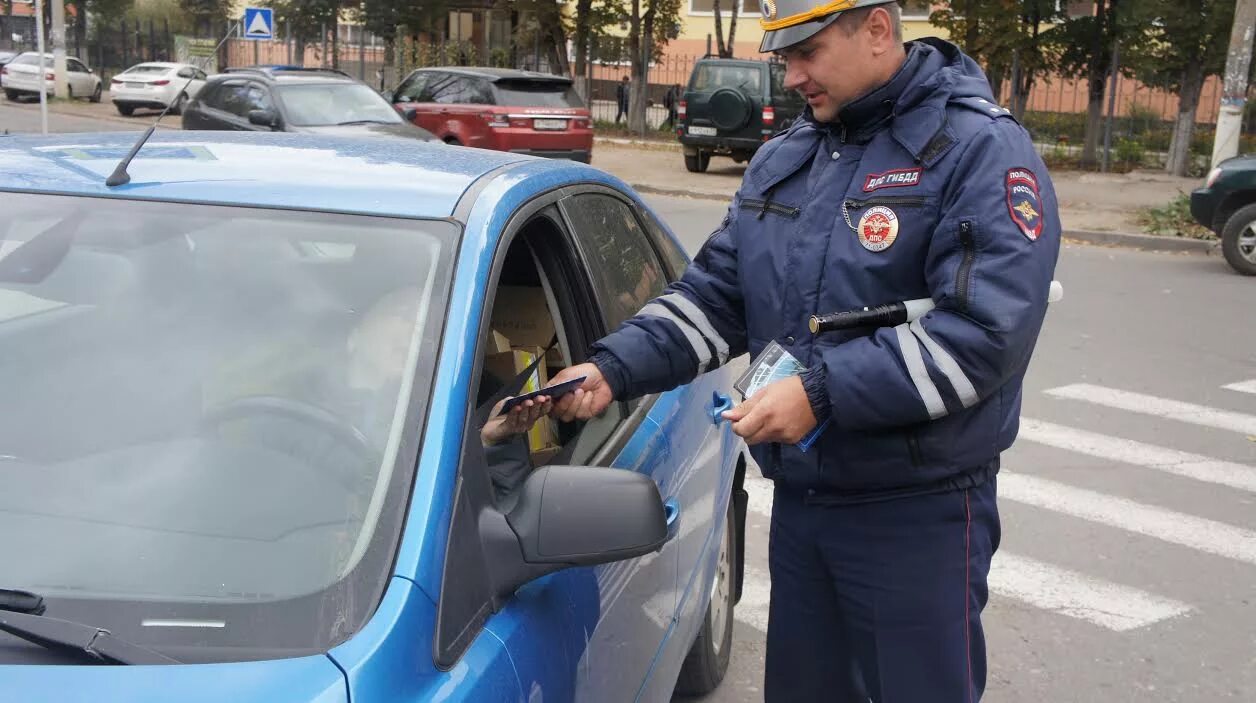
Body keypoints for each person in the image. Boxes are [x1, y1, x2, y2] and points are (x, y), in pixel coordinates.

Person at [550, 2, 1061, 701]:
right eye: (783, 57)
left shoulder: (977, 151)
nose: (791, 77)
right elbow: (715, 297)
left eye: (809, 53)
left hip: (919, 513)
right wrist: (612, 367)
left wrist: (821, 392)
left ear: (878, 30)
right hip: (805, 504)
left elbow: (983, 334)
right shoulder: (787, 156)